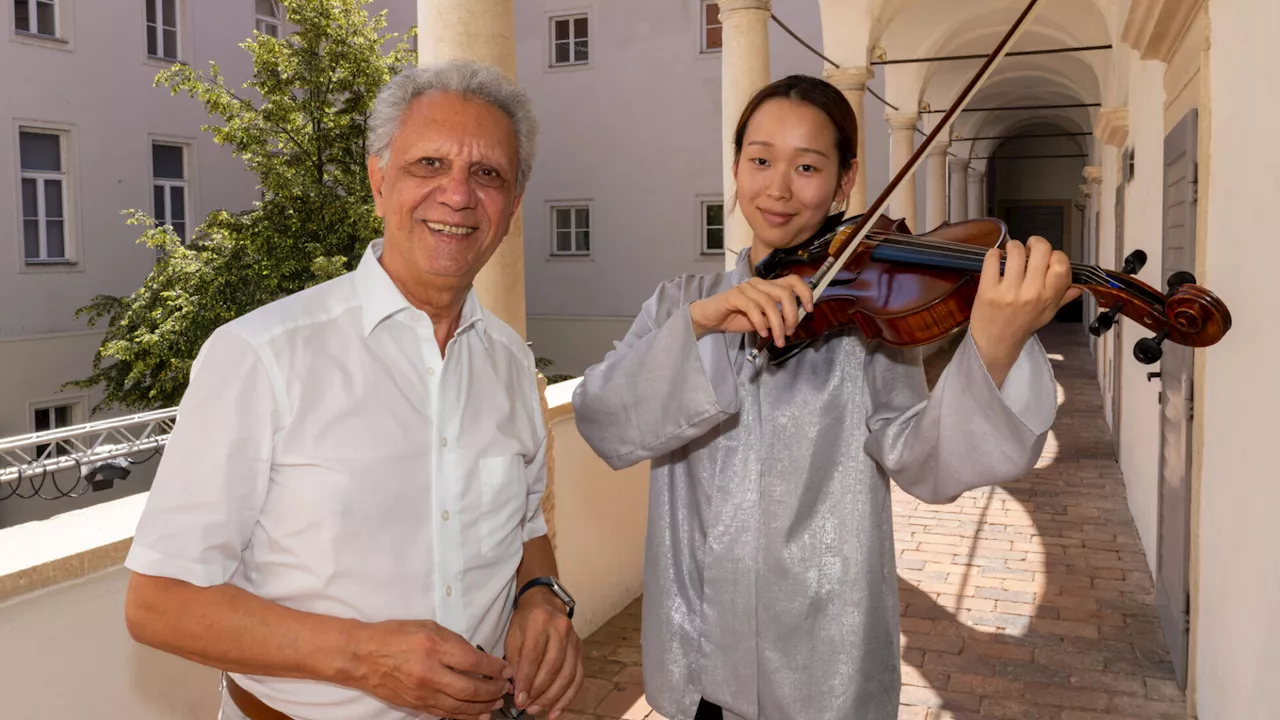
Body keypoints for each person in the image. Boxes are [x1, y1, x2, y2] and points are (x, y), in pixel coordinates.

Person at [571, 75, 1079, 720]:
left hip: (819, 664)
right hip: (695, 650)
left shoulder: (865, 324)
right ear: (735, 168)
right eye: (760, 160)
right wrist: (701, 324)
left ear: (844, 183)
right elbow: (601, 416)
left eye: (807, 167)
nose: (778, 188)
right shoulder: (681, 302)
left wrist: (996, 346)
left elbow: (927, 464)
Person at [123, 60, 583, 720]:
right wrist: (365, 658)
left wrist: (539, 592)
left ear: (511, 208)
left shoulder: (511, 365)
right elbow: (157, 603)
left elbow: (524, 524)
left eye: (487, 174)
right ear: (378, 180)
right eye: (428, 164)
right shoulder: (261, 355)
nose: (457, 194)